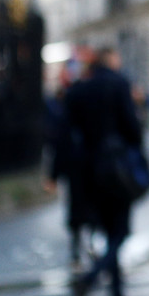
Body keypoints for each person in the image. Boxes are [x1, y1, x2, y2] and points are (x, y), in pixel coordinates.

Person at [64, 47, 142, 296]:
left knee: (108, 233)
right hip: (115, 169)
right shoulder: (118, 84)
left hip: (87, 172)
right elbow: (133, 129)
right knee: (119, 233)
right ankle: (90, 279)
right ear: (110, 59)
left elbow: (67, 132)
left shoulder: (77, 90)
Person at [44, 85, 91, 271]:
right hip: (84, 173)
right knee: (81, 212)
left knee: (76, 212)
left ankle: (78, 250)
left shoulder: (66, 120)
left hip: (76, 174)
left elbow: (58, 150)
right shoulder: (84, 121)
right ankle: (80, 249)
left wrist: (53, 176)